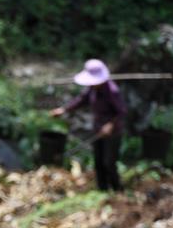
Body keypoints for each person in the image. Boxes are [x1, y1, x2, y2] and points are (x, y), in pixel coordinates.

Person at [50, 59, 126, 192]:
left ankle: (118, 190)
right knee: (98, 162)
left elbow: (121, 112)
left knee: (109, 162)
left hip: (112, 133)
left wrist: (110, 125)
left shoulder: (112, 91)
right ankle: (102, 190)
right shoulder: (92, 89)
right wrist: (64, 109)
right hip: (98, 128)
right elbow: (81, 100)